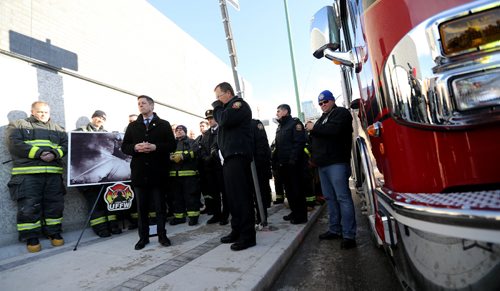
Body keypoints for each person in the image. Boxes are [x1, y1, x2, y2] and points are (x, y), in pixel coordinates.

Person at [6, 101, 67, 253]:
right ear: (32, 111)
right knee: (29, 206)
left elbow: (66, 145)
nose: (43, 114)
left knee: (55, 205)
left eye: (45, 112)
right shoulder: (18, 125)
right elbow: (15, 144)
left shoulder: (58, 128)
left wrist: (54, 154)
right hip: (27, 175)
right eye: (39, 112)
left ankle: (53, 232)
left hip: (53, 174)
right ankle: (31, 237)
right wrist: (40, 153)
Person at [121, 95, 176, 250]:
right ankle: (143, 238)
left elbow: (171, 145)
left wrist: (155, 147)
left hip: (158, 173)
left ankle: (162, 236)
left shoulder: (164, 125)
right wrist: (135, 148)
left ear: (152, 106)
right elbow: (124, 146)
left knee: (159, 207)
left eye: (143, 103)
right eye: (139, 104)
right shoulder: (132, 126)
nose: (140, 106)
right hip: (140, 173)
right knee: (142, 208)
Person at [305, 90, 357, 249]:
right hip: (323, 165)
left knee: (343, 198)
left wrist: (314, 128)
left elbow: (333, 131)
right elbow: (317, 139)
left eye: (325, 101)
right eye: (320, 103)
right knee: (330, 199)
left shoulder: (341, 113)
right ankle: (335, 229)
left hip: (337, 163)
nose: (323, 105)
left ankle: (349, 235)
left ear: (332, 100)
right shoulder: (322, 118)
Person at [212, 82, 256, 251]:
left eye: (219, 96)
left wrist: (216, 106)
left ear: (228, 93)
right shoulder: (228, 108)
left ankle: (247, 236)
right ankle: (236, 231)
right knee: (232, 198)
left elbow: (223, 120)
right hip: (229, 158)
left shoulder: (238, 105)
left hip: (238, 156)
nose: (217, 100)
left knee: (242, 198)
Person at [74, 110, 122, 237]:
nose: (100, 120)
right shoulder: (80, 132)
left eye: (103, 118)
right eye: (98, 117)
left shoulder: (107, 134)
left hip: (105, 175)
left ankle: (113, 225)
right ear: (92, 118)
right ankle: (100, 228)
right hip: (88, 175)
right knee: (94, 202)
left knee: (109, 201)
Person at [273, 104, 308, 224]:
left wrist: (293, 160)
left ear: (286, 111)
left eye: (278, 111)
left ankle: (301, 216)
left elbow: (299, 143)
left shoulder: (295, 124)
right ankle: (294, 211)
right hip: (283, 165)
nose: (277, 113)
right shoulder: (280, 127)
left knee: (297, 190)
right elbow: (278, 146)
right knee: (289, 190)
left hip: (294, 164)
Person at [198, 109, 229, 225]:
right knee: (213, 193)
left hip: (220, 167)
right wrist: (205, 158)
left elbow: (222, 147)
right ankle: (217, 214)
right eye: (208, 119)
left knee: (224, 192)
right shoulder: (206, 134)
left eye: (212, 118)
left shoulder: (222, 130)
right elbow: (201, 148)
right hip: (209, 168)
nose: (210, 121)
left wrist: (212, 156)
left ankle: (225, 214)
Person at [169, 125, 201, 226]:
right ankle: (179, 217)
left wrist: (183, 156)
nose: (178, 132)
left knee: (191, 196)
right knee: (176, 198)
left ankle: (193, 217)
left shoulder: (191, 142)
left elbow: (195, 152)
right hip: (174, 176)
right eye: (177, 130)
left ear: (185, 132)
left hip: (189, 175)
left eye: (181, 130)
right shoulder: (172, 143)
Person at [251, 118, 272, 224]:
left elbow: (262, 145)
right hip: (245, 166)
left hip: (257, 166)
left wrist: (259, 163)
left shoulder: (255, 124)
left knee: (260, 193)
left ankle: (262, 218)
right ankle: (253, 218)